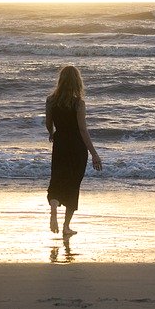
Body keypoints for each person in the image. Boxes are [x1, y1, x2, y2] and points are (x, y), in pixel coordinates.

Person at [46, 65, 102, 236]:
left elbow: (49, 123)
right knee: (73, 185)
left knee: (57, 179)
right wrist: (94, 153)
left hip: (60, 144)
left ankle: (54, 210)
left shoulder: (50, 100)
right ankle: (66, 227)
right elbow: (83, 130)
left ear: (60, 80)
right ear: (78, 81)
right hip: (77, 147)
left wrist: (51, 134)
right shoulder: (79, 103)